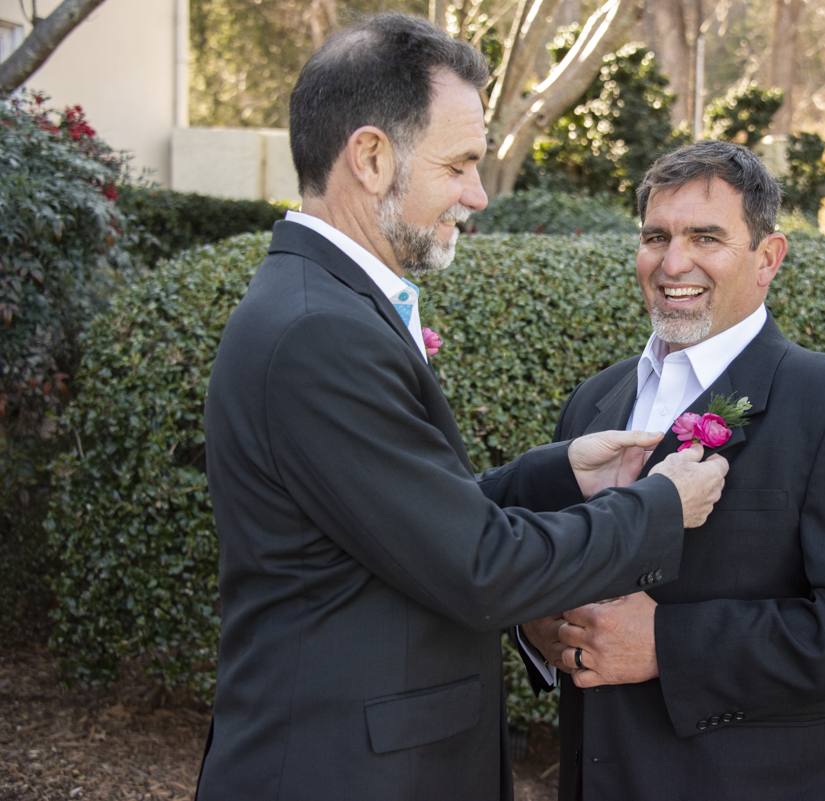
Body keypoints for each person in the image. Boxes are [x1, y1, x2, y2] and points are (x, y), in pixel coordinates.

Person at [196, 15, 728, 801]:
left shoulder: (324, 306)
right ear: (372, 158)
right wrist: (657, 509)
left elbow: (391, 528)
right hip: (341, 773)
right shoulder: (319, 332)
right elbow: (477, 568)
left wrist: (555, 477)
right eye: (460, 165)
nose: (478, 194)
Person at [520, 141, 825, 801]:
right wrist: (538, 624)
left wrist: (665, 642)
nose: (673, 262)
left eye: (706, 237)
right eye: (655, 236)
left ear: (767, 257)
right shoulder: (594, 401)